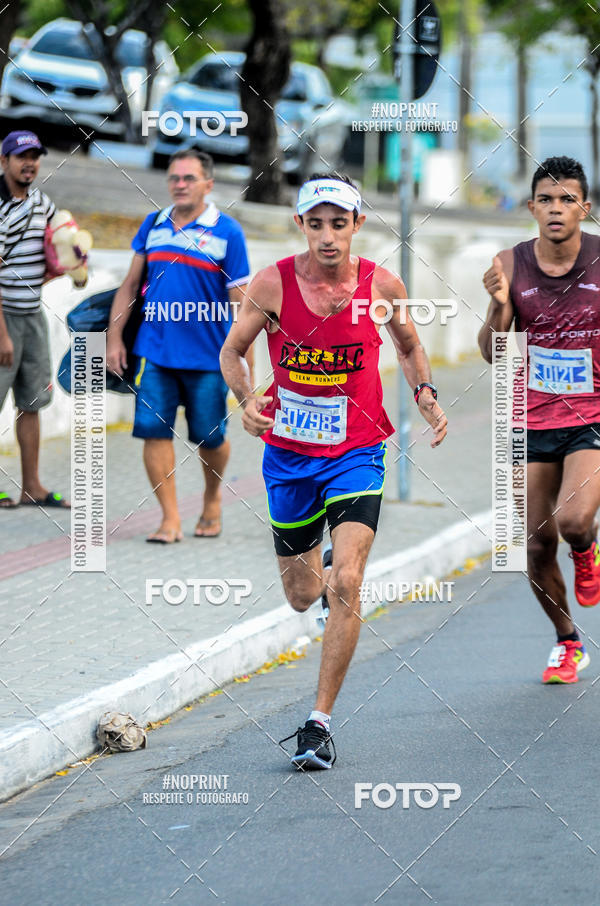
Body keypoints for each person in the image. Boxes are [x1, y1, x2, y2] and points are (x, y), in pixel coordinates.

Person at [220, 173, 447, 769]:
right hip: (290, 457)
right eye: (315, 223)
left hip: (358, 450)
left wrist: (423, 390)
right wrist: (246, 400)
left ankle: (318, 724)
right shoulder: (271, 284)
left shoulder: (381, 284)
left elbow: (407, 343)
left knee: (348, 580)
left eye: (338, 223)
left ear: (356, 225)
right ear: (301, 225)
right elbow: (232, 350)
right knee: (301, 595)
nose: (327, 235)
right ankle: (313, 572)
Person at [479, 155, 600, 684]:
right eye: (546, 200)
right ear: (531, 207)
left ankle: (587, 548)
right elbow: (491, 352)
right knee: (531, 544)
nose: (556, 209)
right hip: (530, 418)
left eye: (567, 199)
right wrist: (498, 306)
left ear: (584, 208)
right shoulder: (508, 263)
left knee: (574, 522)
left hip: (592, 415)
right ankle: (567, 642)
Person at [107, 149, 251, 543]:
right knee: (154, 432)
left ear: (208, 184)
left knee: (211, 437)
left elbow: (244, 306)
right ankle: (169, 519)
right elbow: (130, 286)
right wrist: (114, 337)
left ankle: (211, 498)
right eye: (174, 178)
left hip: (209, 357)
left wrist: (246, 371)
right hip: (156, 353)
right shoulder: (153, 224)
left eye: (188, 178)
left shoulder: (227, 232)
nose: (180, 185)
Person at [0, 130, 70, 510]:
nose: (29, 163)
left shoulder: (42, 203)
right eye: (20, 156)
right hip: (2, 318)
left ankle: (32, 487)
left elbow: (61, 242)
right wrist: (3, 337)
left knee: (33, 401)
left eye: (35, 156)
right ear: (4, 161)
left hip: (32, 315)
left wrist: (65, 264)